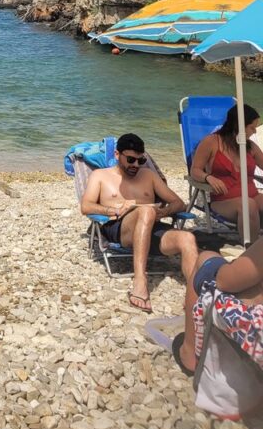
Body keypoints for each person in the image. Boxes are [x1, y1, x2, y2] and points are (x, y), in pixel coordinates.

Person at [80, 132, 198, 312]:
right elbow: (86, 206)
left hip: (151, 227)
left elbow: (179, 203)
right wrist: (115, 210)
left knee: (187, 239)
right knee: (145, 210)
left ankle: (197, 296)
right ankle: (140, 280)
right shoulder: (100, 176)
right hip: (119, 228)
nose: (135, 165)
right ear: (117, 155)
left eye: (140, 161)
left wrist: (163, 212)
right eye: (131, 160)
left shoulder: (148, 176)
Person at [175, 237, 263, 375]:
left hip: (256, 332)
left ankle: (190, 355)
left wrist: (233, 266)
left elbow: (225, 280)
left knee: (207, 259)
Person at [190, 104, 263, 241]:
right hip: (224, 200)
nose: (254, 132)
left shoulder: (249, 146)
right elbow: (194, 171)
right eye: (252, 127)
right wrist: (208, 177)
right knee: (248, 205)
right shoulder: (211, 142)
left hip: (253, 195)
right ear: (238, 125)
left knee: (251, 202)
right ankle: (251, 253)